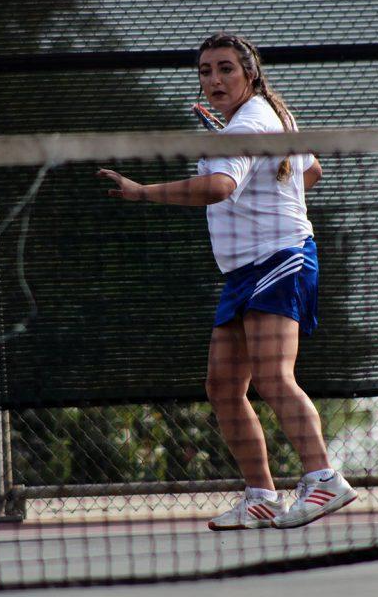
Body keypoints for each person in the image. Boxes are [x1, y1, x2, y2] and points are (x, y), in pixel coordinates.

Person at [97, 32, 357, 530]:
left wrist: (143, 191)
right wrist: (263, 179)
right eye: (205, 71)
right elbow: (312, 171)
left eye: (225, 69)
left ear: (250, 73)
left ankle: (324, 479)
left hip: (280, 260)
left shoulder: (251, 121)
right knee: (222, 385)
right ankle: (261, 495)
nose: (213, 79)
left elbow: (219, 188)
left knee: (273, 376)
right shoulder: (261, 121)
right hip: (244, 270)